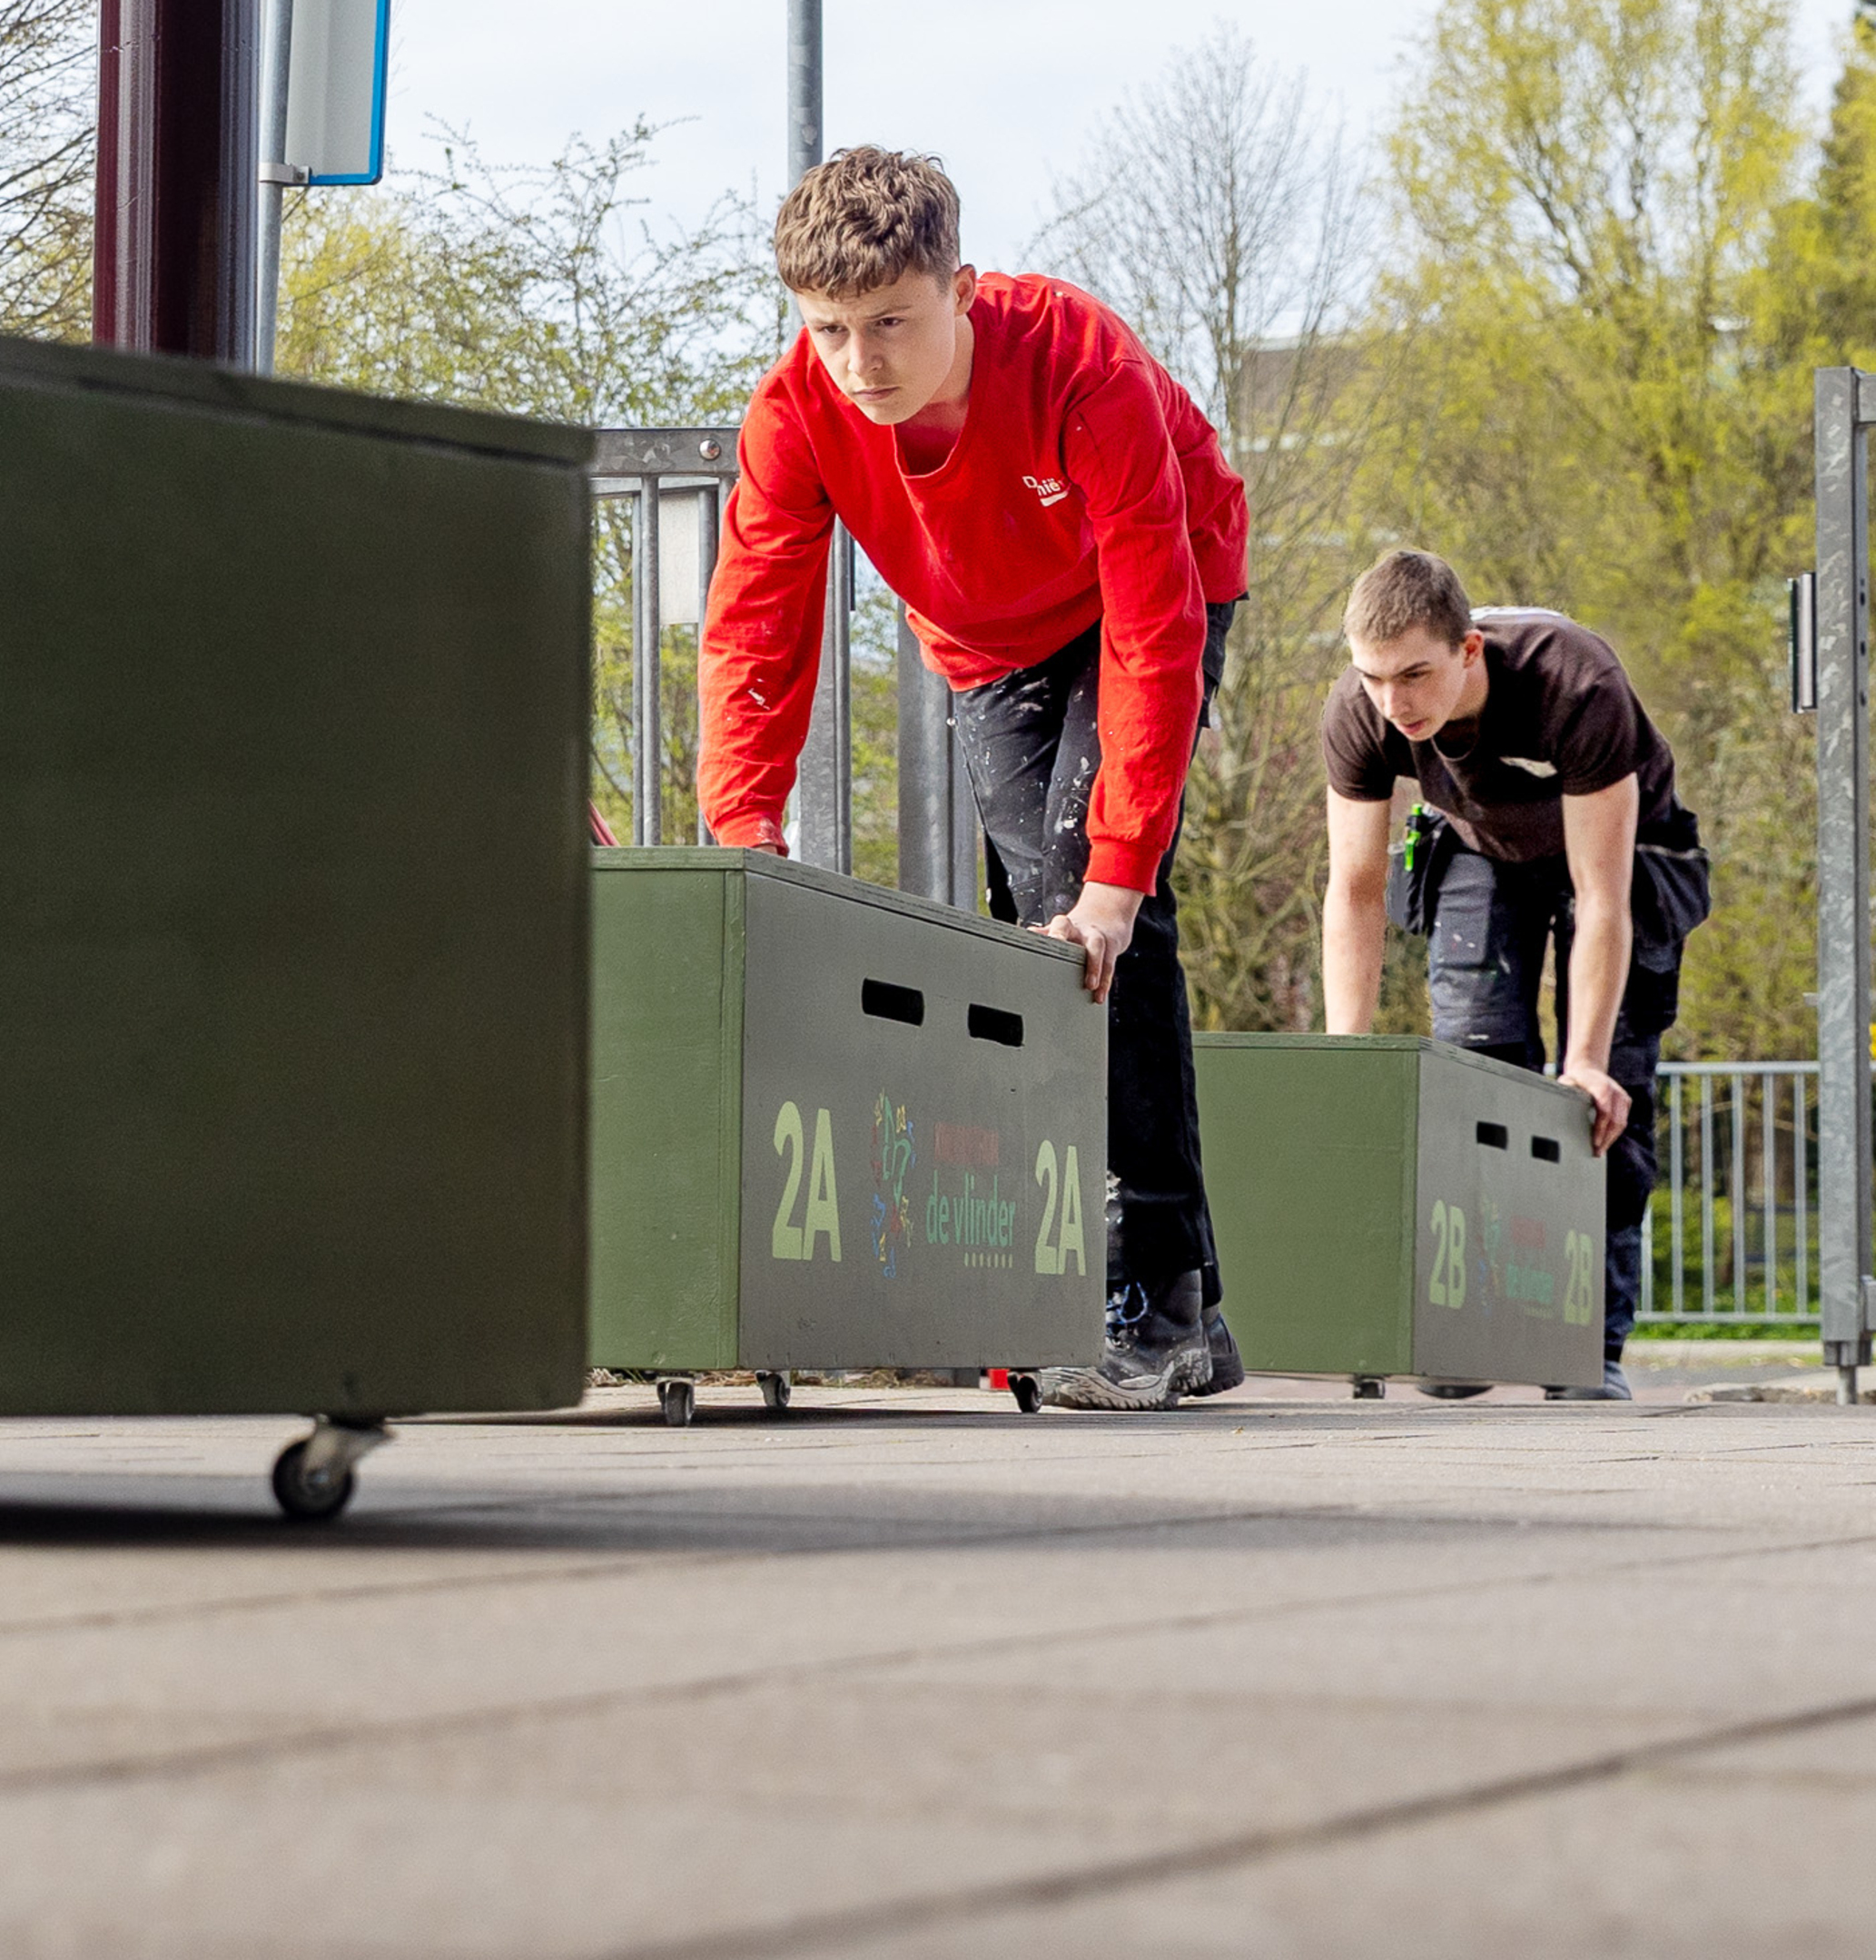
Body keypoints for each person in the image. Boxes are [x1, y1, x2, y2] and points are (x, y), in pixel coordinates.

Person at [697, 147, 1251, 1410]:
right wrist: (744, 822)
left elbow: (1154, 627)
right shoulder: (795, 412)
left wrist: (1119, 872)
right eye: (831, 329)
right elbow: (756, 627)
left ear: (959, 287)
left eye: (892, 322)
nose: (861, 360)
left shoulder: (1077, 362)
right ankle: (1195, 1307)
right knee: (1030, 945)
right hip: (990, 642)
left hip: (1158, 585)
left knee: (1091, 916)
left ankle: (1150, 1302)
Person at [1319, 549, 1710, 1401]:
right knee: (1475, 1074)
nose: (1396, 702)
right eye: (1376, 678)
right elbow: (1352, 890)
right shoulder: (1362, 709)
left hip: (1622, 860)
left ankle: (1588, 1347)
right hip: (1480, 851)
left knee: (1598, 1100)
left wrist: (1589, 1059)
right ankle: (1471, 1328)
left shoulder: (1575, 683)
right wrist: (1342, 1057)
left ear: (1470, 651)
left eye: (1416, 674)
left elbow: (1601, 898)